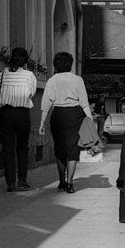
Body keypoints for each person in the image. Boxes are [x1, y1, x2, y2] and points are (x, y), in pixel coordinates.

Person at [39, 52, 92, 194]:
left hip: (58, 115)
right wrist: (90, 119)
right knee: (73, 149)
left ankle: (61, 181)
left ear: (55, 65)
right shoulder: (77, 80)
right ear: (70, 64)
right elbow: (84, 103)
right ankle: (70, 183)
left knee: (60, 149)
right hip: (75, 115)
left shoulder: (52, 80)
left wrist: (42, 123)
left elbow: (46, 103)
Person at [0, 47, 37, 192]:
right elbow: (31, 93)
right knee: (22, 147)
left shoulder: (2, 75)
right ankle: (22, 181)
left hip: (6, 114)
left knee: (8, 149)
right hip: (22, 114)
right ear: (25, 61)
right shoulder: (29, 75)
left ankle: (10, 183)